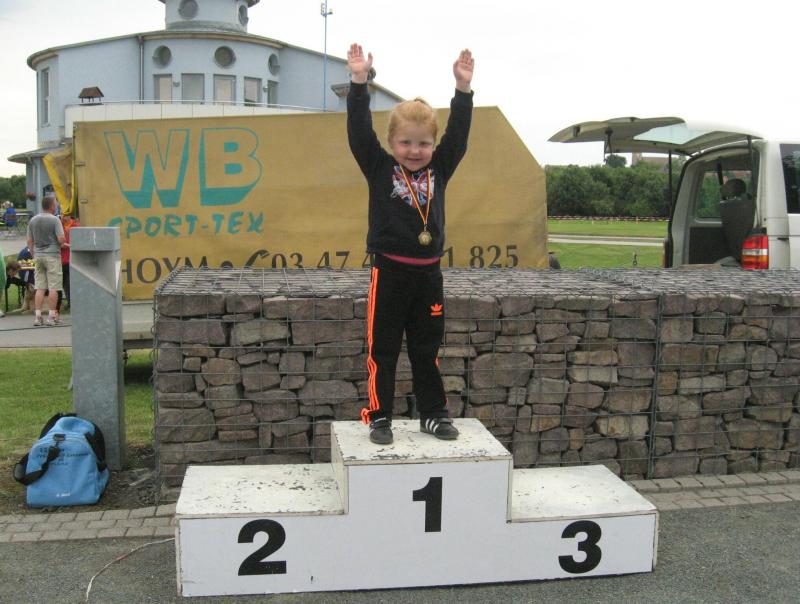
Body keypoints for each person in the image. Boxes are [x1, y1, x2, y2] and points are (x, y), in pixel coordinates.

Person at [346, 43, 474, 444]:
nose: (415, 151)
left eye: (423, 144)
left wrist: (463, 89)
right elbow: (358, 131)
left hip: (428, 276)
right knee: (382, 350)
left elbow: (459, 135)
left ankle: (432, 414)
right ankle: (379, 416)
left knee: (426, 349)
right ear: (391, 142)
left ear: (433, 145)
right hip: (389, 273)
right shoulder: (378, 166)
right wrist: (359, 82)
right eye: (405, 143)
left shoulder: (440, 168)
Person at [26, 195, 68, 326]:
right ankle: (51, 316)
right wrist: (64, 242)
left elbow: (29, 240)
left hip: (38, 256)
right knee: (53, 287)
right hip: (52, 256)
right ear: (52, 206)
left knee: (40, 287)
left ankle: (38, 317)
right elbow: (61, 240)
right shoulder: (55, 220)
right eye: (55, 204)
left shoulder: (33, 220)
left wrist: (33, 254)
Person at [55, 214, 79, 317]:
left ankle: (70, 304)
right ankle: (62, 306)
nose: (64, 217)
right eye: (63, 215)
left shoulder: (74, 226)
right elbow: (60, 244)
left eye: (66, 215)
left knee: (67, 284)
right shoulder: (60, 227)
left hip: (69, 259)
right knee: (63, 284)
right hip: (62, 260)